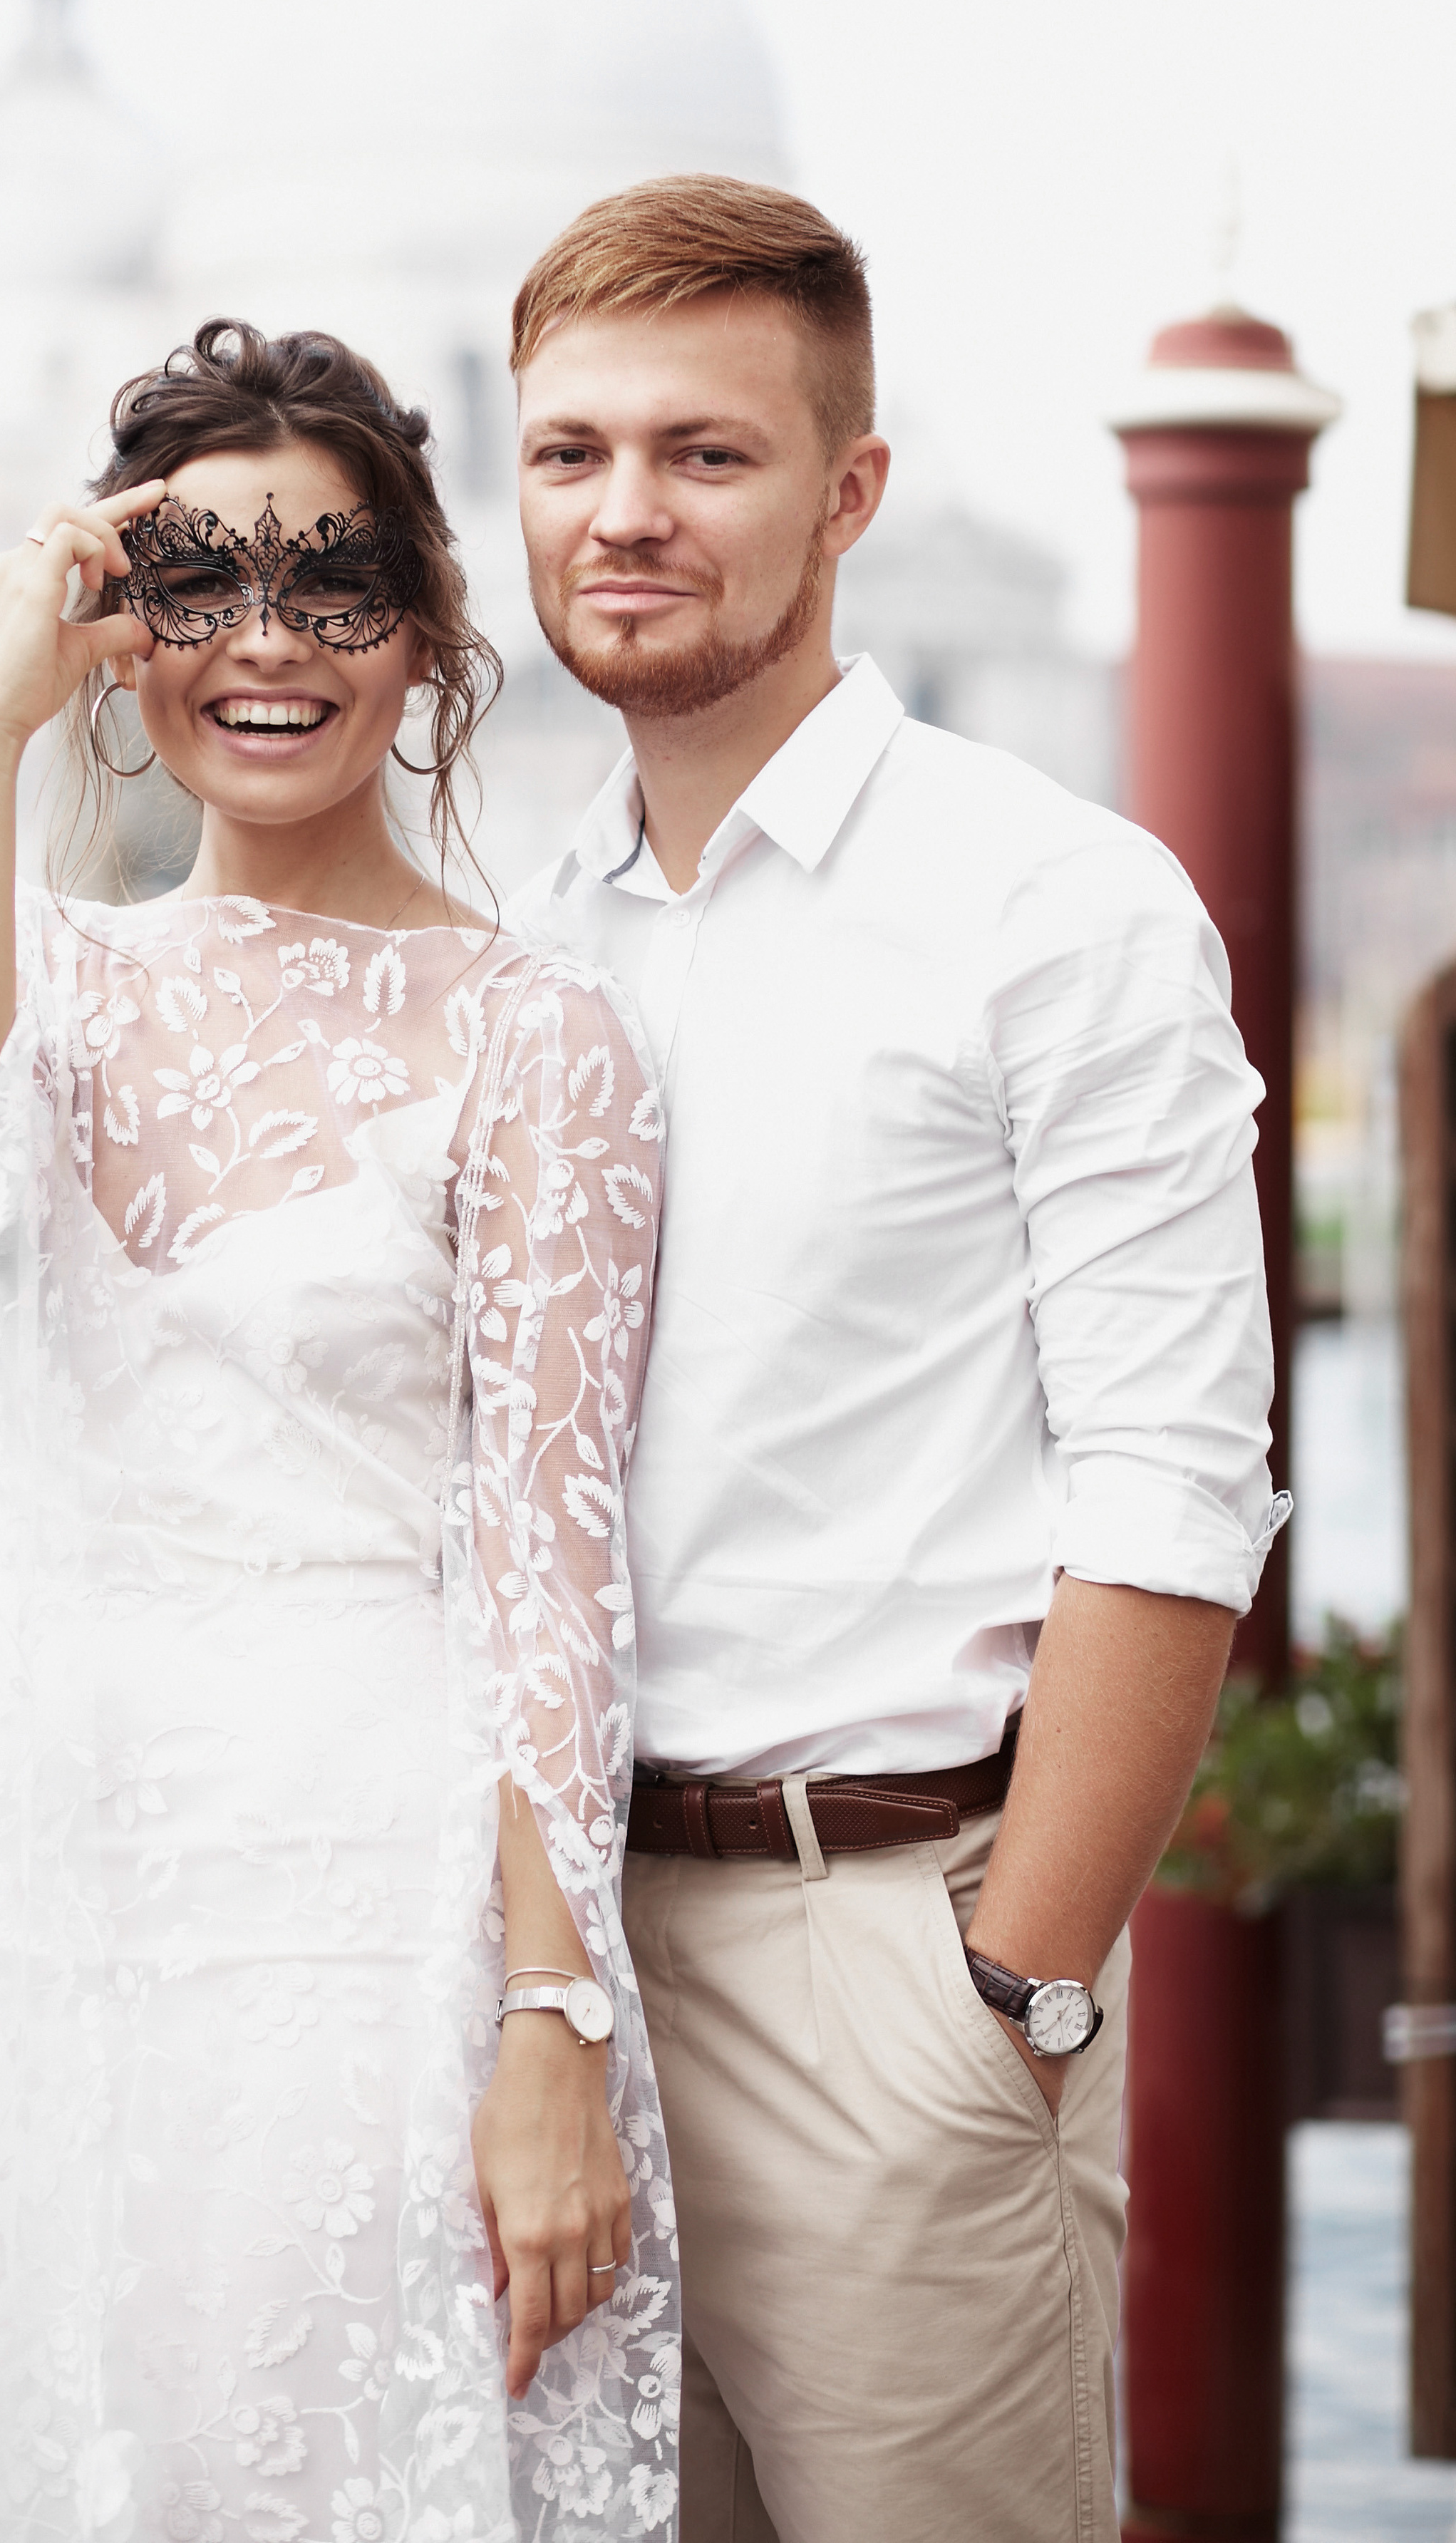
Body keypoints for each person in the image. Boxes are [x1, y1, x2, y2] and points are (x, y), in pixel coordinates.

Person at [0, 324, 680, 2543]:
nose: (270, 646)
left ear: (426, 627)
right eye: (197, 585)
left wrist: (553, 2028)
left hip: (348, 1917)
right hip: (14, 1888)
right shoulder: (48, 977)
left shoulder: (538, 1035)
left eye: (335, 584)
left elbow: (555, 1570)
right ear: (122, 635)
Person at [507, 177, 1287, 2543]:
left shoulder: (1053, 908)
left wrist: (1012, 2001)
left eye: (705, 455)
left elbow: (1174, 1486)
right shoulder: (524, 930)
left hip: (893, 1966)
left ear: (851, 490)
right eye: (571, 454)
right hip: (546, 1991)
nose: (626, 513)